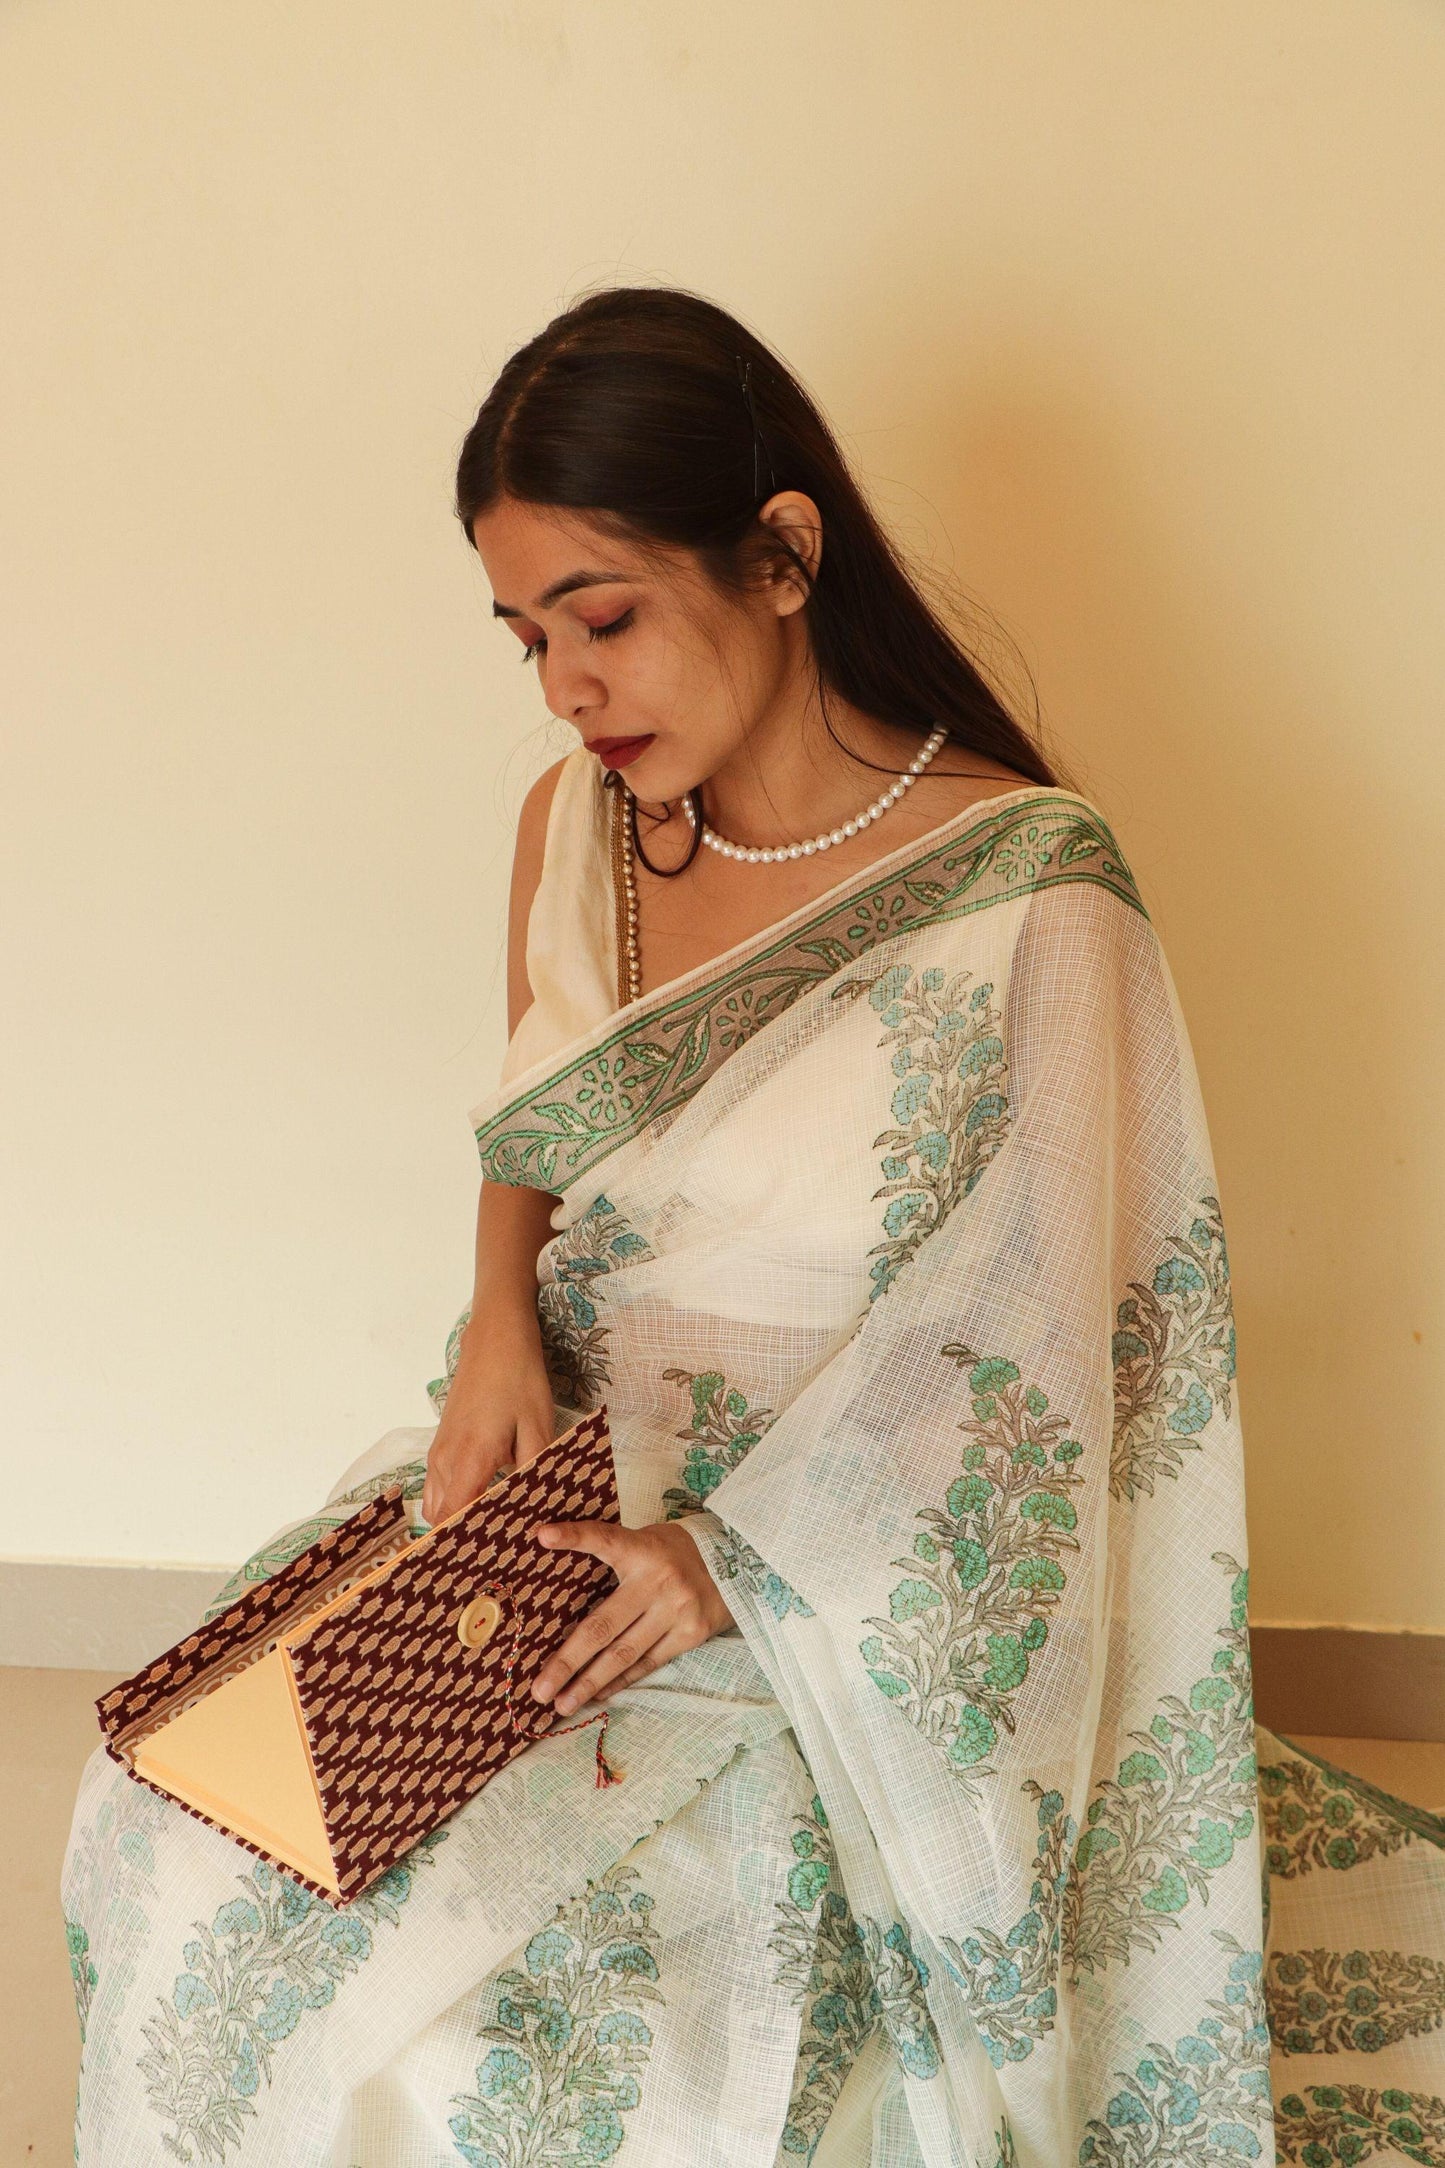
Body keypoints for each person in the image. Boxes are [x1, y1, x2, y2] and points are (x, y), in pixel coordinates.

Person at [64, 286, 1444, 2168]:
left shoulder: (1030, 891)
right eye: (526, 637)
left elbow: (1039, 1338)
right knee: (186, 1830)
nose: (565, 687)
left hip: (833, 1553)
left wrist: (736, 1569)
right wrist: (494, 1319)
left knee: (574, 2010)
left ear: (783, 556)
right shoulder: (574, 831)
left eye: (603, 617)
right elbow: (537, 1114)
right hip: (564, 1480)